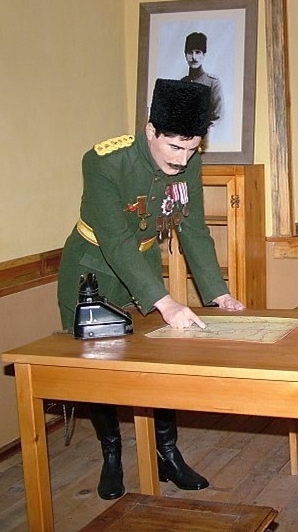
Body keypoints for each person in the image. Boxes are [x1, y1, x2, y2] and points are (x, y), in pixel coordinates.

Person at [57, 78, 245, 500]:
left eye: (192, 149)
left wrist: (219, 293)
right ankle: (111, 455)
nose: (182, 160)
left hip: (140, 265)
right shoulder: (105, 162)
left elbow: (193, 229)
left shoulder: (188, 162)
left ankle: (167, 456)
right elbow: (115, 241)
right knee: (99, 369)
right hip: (92, 271)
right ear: (150, 130)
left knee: (160, 361)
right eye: (174, 147)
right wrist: (165, 302)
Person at [181, 31, 222, 135]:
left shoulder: (212, 83)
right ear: (185, 55)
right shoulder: (182, 83)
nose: (194, 57)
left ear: (204, 54)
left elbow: (218, 119)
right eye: (190, 52)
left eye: (198, 52)